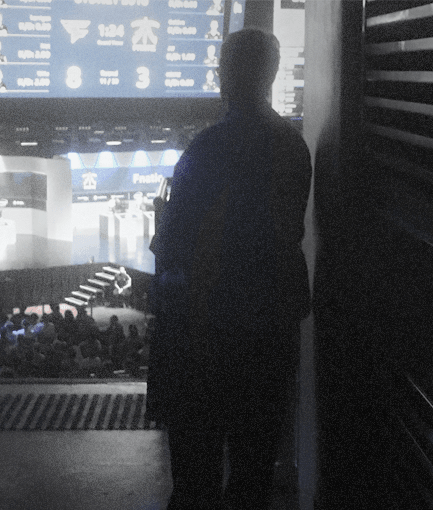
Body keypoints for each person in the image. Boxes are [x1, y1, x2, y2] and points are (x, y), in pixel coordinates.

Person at [148, 29, 312, 510]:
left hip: (207, 333)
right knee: (252, 476)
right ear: (272, 74)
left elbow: (172, 248)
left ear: (228, 75)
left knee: (196, 479)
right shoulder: (293, 146)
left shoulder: (208, 148)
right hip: (271, 329)